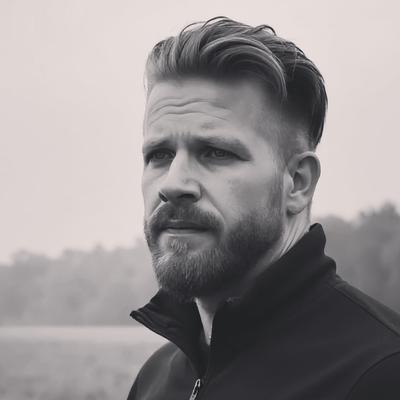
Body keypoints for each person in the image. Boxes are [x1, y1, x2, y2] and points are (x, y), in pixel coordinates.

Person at [127, 16, 400, 400]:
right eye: (159, 154)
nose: (173, 184)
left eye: (215, 152)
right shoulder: (155, 380)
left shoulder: (382, 373)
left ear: (297, 183)